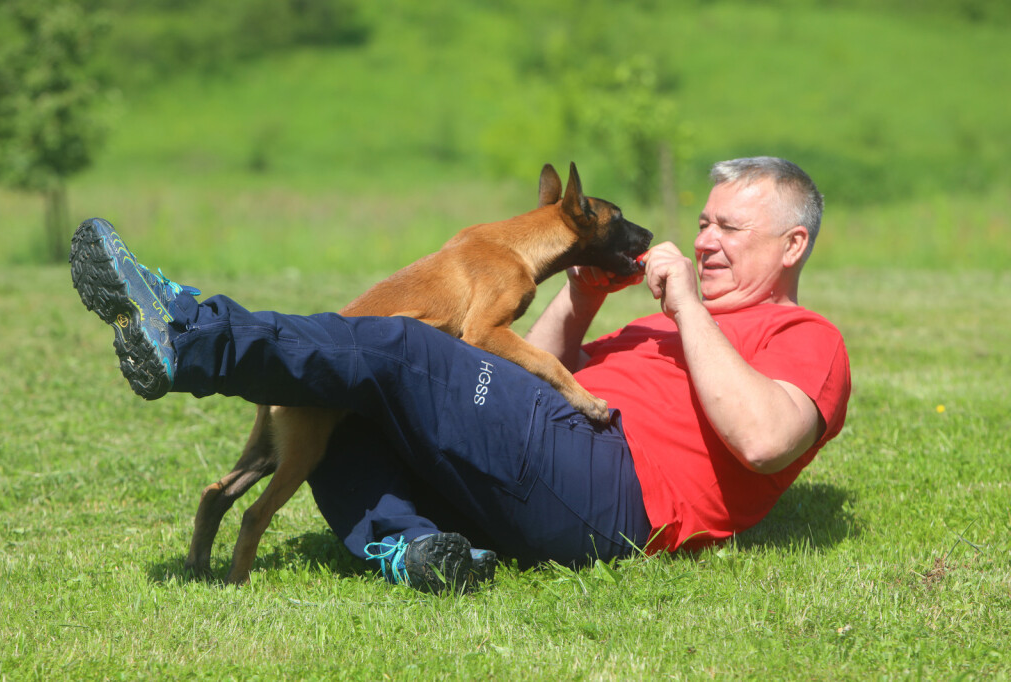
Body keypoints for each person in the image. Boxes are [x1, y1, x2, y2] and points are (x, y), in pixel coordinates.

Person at [70, 156, 850, 593]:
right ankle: (413, 548)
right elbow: (506, 365)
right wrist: (578, 301)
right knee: (350, 398)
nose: (706, 241)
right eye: (705, 223)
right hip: (542, 466)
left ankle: (189, 334)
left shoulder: (805, 337)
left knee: (402, 345)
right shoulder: (653, 320)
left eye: (730, 229)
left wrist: (687, 308)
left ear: (791, 246)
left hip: (616, 492)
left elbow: (764, 440)